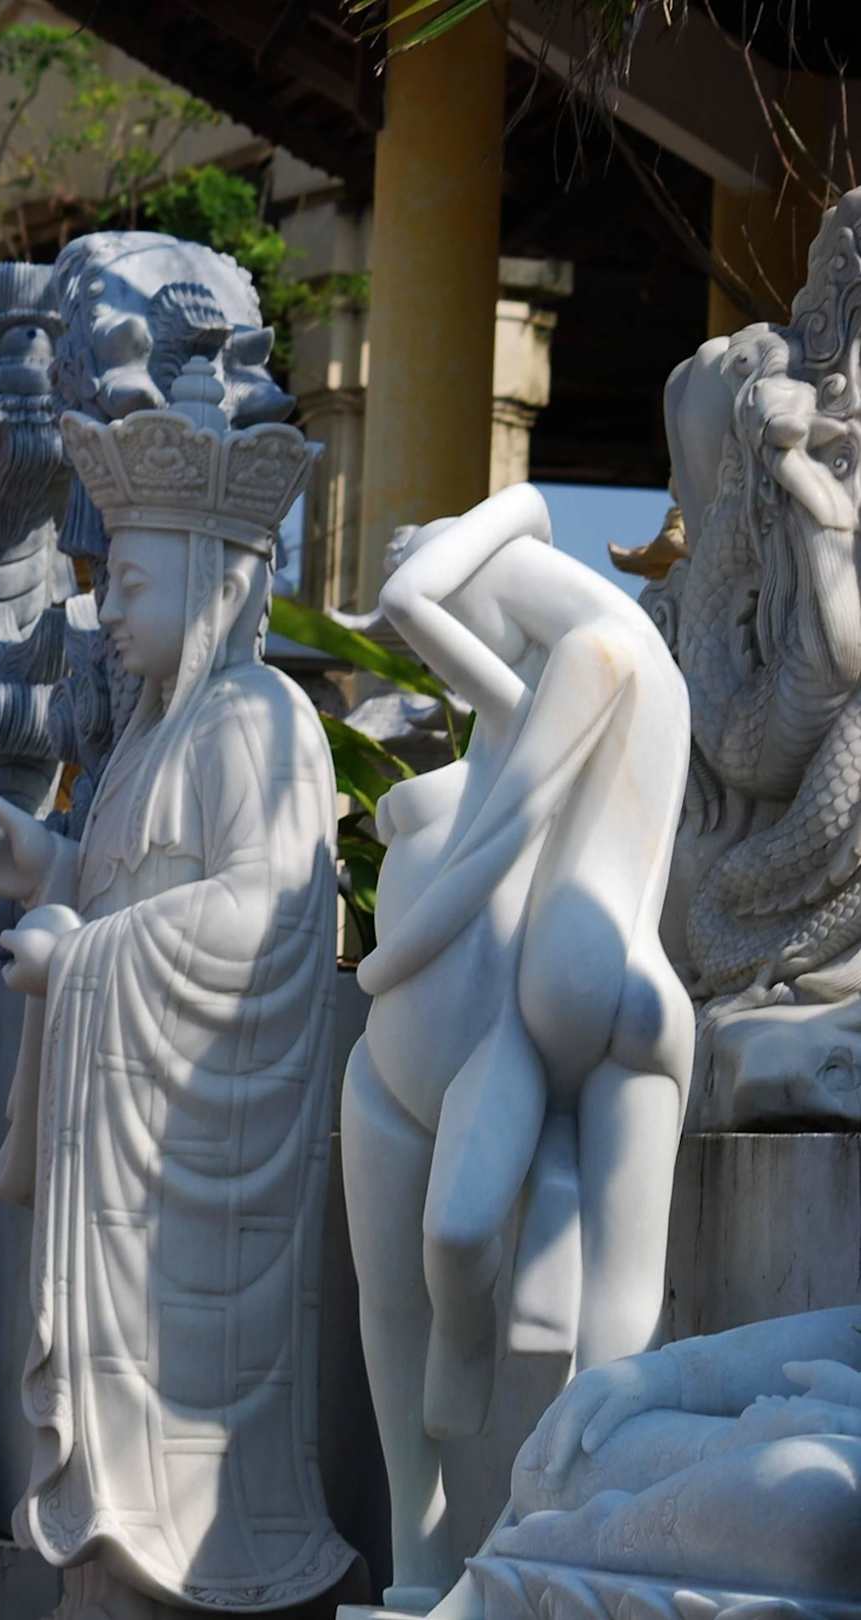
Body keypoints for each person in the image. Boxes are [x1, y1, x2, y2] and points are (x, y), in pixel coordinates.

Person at [0, 362, 355, 1608]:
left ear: (217, 579)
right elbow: (133, 888)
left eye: (129, 583)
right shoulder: (141, 743)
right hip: (123, 1159)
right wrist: (49, 867)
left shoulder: (262, 721)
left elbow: (267, 916)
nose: (103, 611)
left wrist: (80, 957)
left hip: (199, 1160)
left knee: (185, 1432)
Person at [344, 483, 693, 1609]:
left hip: (595, 999)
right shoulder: (574, 670)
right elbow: (490, 733)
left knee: (612, 1331)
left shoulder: (597, 659)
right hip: (547, 1011)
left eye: (460, 626)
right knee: (458, 1237)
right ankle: (479, 1392)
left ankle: (571, 1542)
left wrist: (381, 967)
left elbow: (495, 844)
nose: (445, 668)